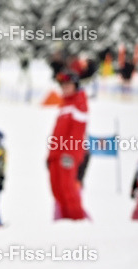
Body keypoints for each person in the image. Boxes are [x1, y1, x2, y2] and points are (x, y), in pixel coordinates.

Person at [48, 70, 88, 220]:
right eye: (62, 85)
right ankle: (65, 221)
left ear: (75, 86)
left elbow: (77, 132)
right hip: (56, 154)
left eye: (68, 85)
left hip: (68, 155)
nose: (64, 88)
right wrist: (51, 155)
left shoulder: (79, 103)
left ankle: (77, 220)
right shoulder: (64, 104)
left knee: (68, 188)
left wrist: (70, 154)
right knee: (56, 188)